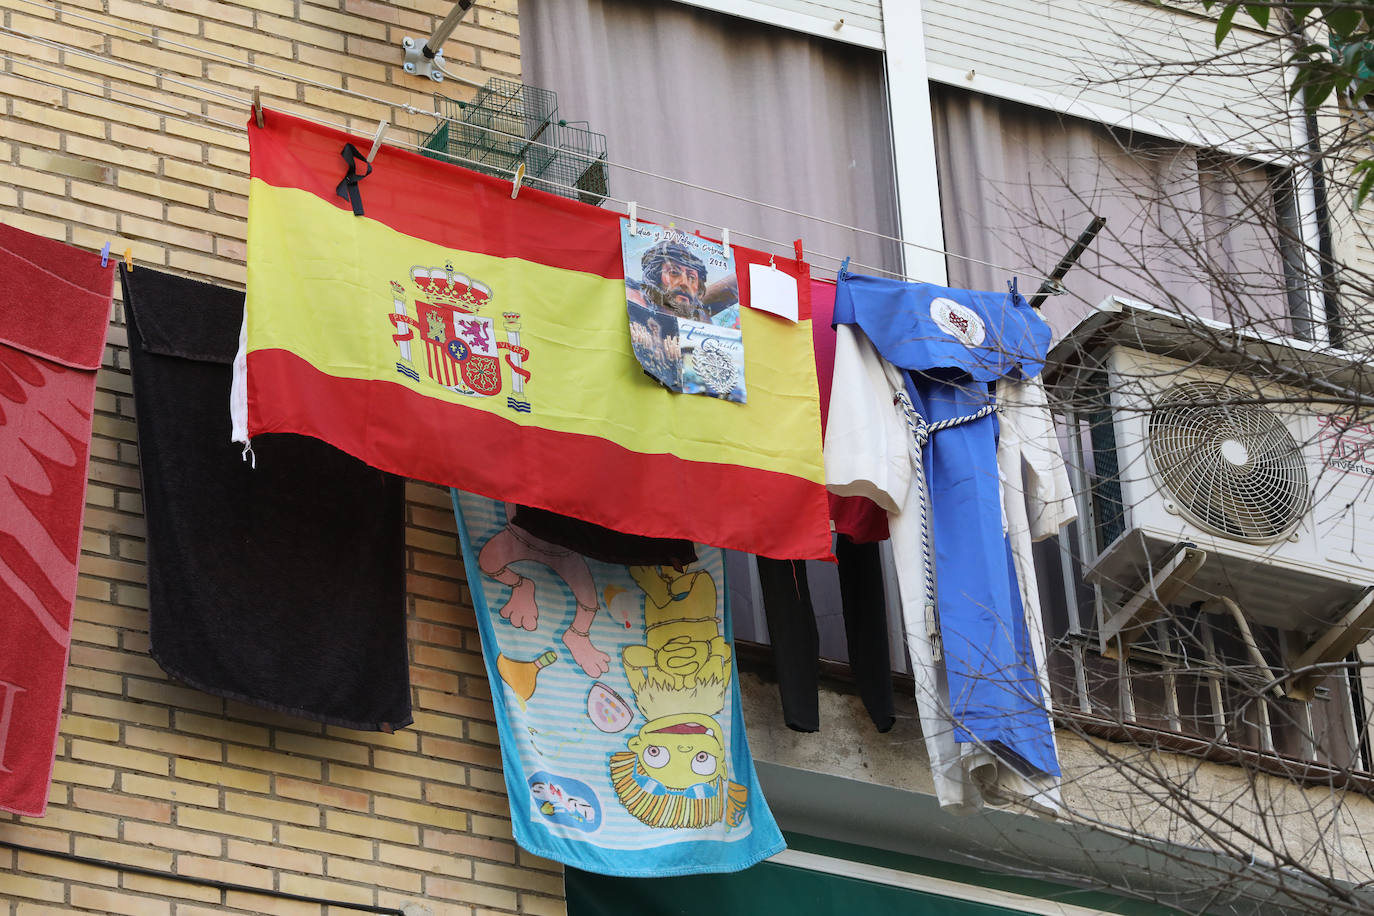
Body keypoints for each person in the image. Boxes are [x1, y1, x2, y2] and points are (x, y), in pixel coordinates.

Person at [627, 239, 711, 322]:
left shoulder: (700, 318)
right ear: (655, 276)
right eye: (673, 272)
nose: (684, 283)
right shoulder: (634, 296)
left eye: (692, 277)